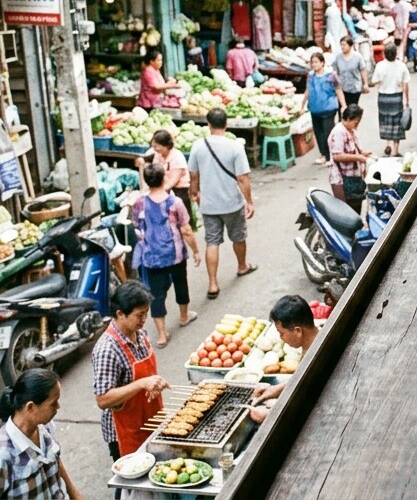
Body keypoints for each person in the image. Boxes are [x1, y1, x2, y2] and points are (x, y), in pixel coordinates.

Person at [93, 282, 171, 464]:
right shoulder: (107, 349)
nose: (144, 318)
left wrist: (154, 383)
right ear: (120, 314)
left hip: (151, 416)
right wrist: (141, 384)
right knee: (131, 483)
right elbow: (103, 400)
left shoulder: (140, 333)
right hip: (125, 430)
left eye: (146, 313)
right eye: (139, 314)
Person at [0, 369, 83, 500]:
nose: (58, 407)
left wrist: (73, 493)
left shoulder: (44, 426)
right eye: (53, 403)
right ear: (30, 407)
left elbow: (55, 459)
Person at [187, 108, 257, 300]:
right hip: (231, 203)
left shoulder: (198, 146)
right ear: (226, 124)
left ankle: (212, 284)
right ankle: (242, 266)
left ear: (208, 125)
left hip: (208, 204)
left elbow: (193, 174)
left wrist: (194, 192)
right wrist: (249, 201)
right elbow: (242, 178)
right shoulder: (235, 147)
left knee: (212, 242)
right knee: (238, 236)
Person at [133, 164, 201, 348]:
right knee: (181, 284)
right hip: (175, 254)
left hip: (151, 258)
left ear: (147, 181)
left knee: (156, 295)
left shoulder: (139, 202)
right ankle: (184, 316)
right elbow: (186, 230)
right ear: (164, 179)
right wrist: (195, 250)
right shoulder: (175, 203)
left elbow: (137, 227)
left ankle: (162, 335)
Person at [246, 296, 320, 425]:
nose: (281, 338)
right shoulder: (316, 338)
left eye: (282, 333)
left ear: (297, 331)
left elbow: (308, 404)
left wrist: (270, 417)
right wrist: (277, 389)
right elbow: (302, 381)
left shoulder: (315, 358)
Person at [301, 52, 346, 167]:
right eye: (312, 62)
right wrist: (302, 105)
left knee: (328, 133)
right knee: (318, 133)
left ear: (322, 63)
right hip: (314, 108)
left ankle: (331, 155)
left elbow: (338, 90)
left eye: (316, 62)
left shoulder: (331, 75)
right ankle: (323, 154)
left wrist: (343, 105)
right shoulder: (310, 75)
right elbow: (308, 90)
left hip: (328, 108)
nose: (314, 64)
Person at [327, 104, 373, 214]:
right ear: (348, 119)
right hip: (341, 179)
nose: (357, 125)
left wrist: (362, 153)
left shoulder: (349, 130)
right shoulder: (339, 132)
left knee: (356, 211)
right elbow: (337, 156)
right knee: (347, 213)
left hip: (353, 177)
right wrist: (358, 157)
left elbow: (351, 150)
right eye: (356, 122)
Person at [372, 42, 411, 158]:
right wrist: (407, 101)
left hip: (383, 97)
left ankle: (387, 143)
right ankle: (395, 150)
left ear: (384, 54)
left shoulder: (379, 66)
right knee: (396, 124)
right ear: (395, 54)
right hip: (396, 97)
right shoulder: (401, 66)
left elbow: (374, 81)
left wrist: (381, 82)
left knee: (385, 121)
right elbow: (406, 85)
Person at [333, 36, 369, 107]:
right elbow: (335, 72)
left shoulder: (358, 57)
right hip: (342, 88)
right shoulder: (338, 57)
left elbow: (363, 70)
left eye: (344, 45)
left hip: (354, 88)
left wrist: (365, 83)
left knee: (352, 109)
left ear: (350, 46)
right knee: (342, 109)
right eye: (341, 45)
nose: (342, 47)